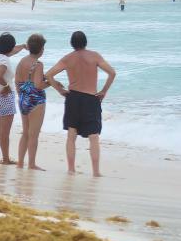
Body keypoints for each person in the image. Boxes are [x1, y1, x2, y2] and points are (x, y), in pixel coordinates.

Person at [45, 31, 116, 177]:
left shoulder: (68, 58)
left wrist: (60, 90)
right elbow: (112, 73)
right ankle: (96, 172)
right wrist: (103, 91)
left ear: (72, 43)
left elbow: (49, 75)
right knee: (94, 136)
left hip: (73, 98)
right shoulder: (95, 56)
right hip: (91, 99)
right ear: (85, 42)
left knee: (72, 135)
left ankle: (71, 169)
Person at [0, 33, 27, 165]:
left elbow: (12, 51)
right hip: (5, 97)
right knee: (5, 132)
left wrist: (22, 46)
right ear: (9, 48)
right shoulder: (4, 61)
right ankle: (5, 159)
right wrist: (6, 86)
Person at [15, 34, 50, 170]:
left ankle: (20, 162)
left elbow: (17, 81)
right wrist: (51, 83)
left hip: (23, 98)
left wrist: (21, 94)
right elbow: (38, 85)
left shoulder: (22, 61)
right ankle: (31, 164)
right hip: (36, 100)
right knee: (33, 134)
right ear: (41, 49)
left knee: (25, 132)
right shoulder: (38, 64)